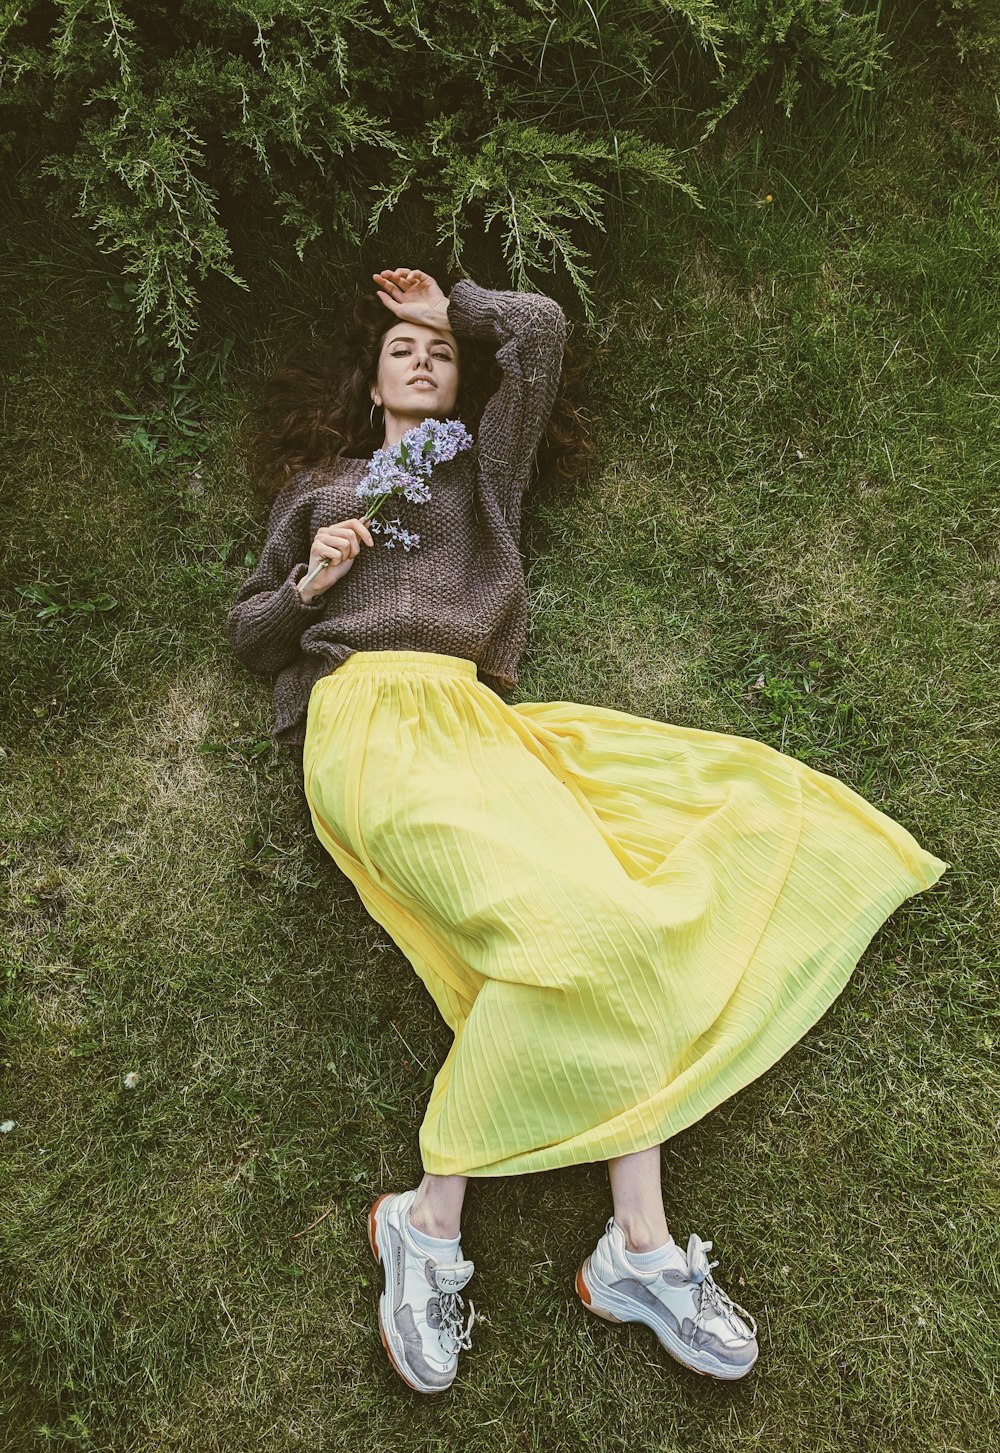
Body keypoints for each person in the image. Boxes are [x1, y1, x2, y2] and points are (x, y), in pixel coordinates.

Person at [227, 266, 948, 1395]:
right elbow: (250, 635)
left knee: (622, 923)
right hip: (368, 728)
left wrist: (456, 298)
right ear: (366, 378)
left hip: (478, 723)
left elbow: (542, 330)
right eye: (400, 345)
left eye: (441, 350)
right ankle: (436, 1220)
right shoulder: (322, 489)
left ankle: (634, 1248)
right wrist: (311, 587)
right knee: (573, 935)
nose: (421, 357)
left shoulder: (477, 467)